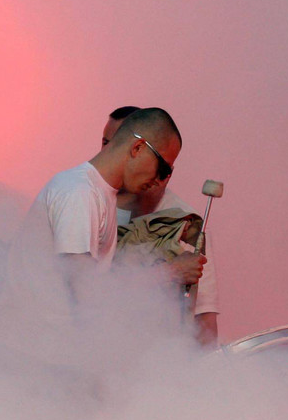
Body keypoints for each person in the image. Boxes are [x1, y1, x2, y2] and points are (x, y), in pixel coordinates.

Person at [26, 107, 182, 300]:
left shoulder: (100, 194)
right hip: (42, 328)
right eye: (163, 168)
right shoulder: (80, 192)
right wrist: (168, 273)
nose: (161, 179)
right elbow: (82, 292)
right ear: (138, 147)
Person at [101, 106, 219, 345]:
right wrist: (170, 272)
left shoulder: (186, 222)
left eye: (118, 145)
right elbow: (83, 294)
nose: (109, 154)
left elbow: (204, 322)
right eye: (105, 144)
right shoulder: (90, 204)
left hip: (159, 364)